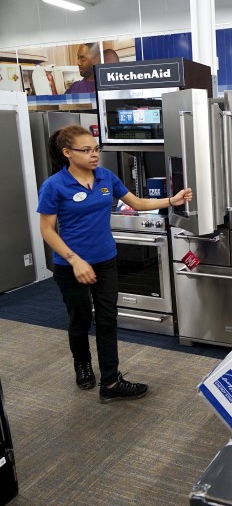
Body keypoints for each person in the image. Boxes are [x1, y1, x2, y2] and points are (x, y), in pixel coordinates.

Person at [37, 125, 193, 402]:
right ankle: (82, 364)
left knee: (108, 319)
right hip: (70, 265)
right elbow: (47, 230)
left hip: (105, 260)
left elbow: (136, 202)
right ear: (67, 153)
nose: (94, 154)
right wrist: (75, 261)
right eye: (86, 150)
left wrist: (172, 200)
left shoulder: (106, 177)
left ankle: (110, 382)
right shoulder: (54, 185)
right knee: (81, 317)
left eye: (96, 149)